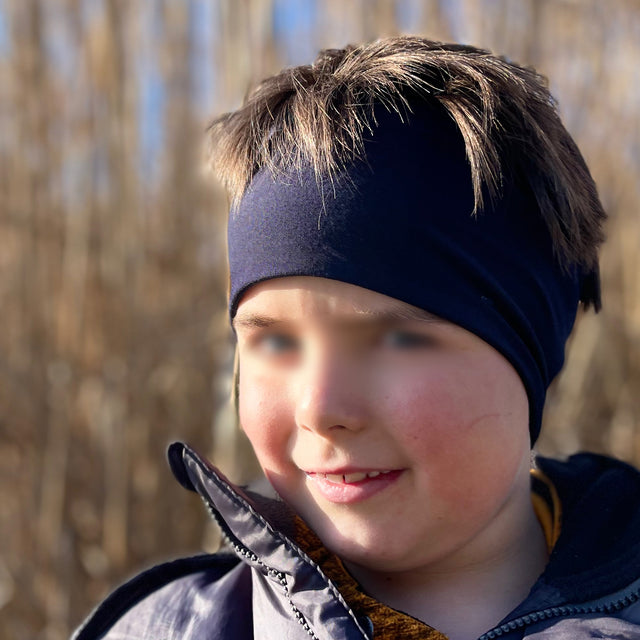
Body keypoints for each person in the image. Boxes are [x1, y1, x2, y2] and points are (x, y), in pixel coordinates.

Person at [73, 37, 640, 640]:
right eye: (276, 342)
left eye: (395, 340)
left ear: (532, 347)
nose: (319, 409)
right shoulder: (171, 628)